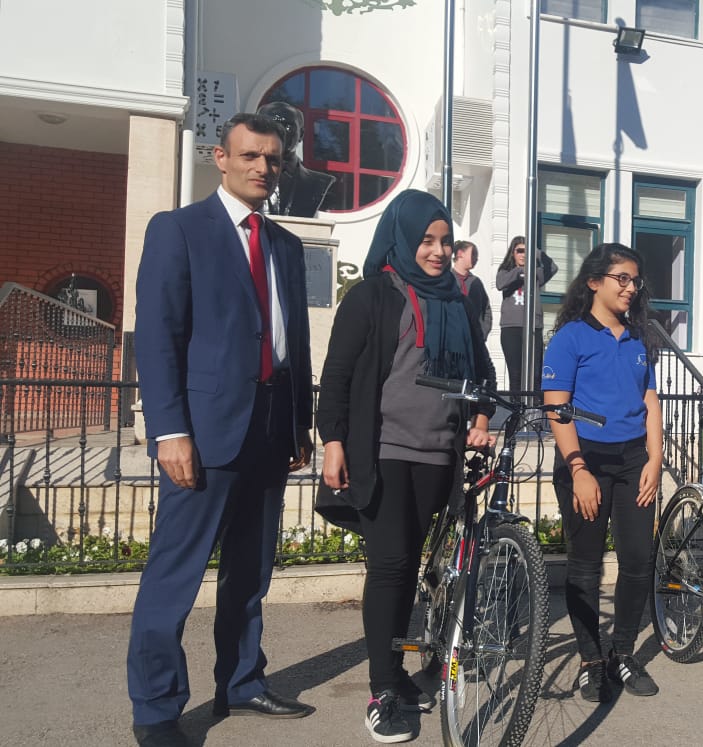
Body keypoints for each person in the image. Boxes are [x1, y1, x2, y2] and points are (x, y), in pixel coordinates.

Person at [129, 112, 315, 747]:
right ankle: (156, 710)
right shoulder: (179, 230)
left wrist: (300, 425)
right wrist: (168, 431)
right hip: (203, 434)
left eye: (273, 158)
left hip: (269, 429)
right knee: (174, 576)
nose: (264, 167)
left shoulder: (286, 246)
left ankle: (241, 681)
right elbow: (157, 339)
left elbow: (296, 342)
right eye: (252, 155)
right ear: (222, 158)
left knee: (250, 572)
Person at [315, 189, 496, 743]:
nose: (438, 252)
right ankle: (383, 691)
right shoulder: (372, 296)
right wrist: (334, 441)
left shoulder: (459, 303)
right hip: (386, 452)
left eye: (444, 242)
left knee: (409, 568)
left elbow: (483, 374)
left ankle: (395, 671)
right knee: (391, 567)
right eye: (427, 241)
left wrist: (483, 417)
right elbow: (339, 374)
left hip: (440, 457)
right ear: (402, 238)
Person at [542, 243, 663, 702]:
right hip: (585, 458)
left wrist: (654, 459)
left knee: (637, 562)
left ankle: (622, 654)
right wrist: (578, 469)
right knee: (586, 566)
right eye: (622, 279)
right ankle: (591, 661)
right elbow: (558, 407)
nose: (631, 288)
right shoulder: (571, 336)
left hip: (634, 459)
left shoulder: (638, 336)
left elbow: (650, 400)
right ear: (594, 282)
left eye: (636, 281)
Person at [496, 236, 558, 392]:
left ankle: (534, 411)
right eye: (519, 251)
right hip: (512, 328)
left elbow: (553, 267)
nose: (523, 255)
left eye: (526, 251)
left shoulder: (537, 273)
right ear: (513, 253)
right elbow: (500, 283)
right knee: (516, 374)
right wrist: (520, 272)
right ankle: (517, 411)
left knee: (535, 373)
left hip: (533, 327)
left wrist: (536, 252)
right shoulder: (506, 271)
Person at [255, 101, 335, 217]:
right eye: (270, 124)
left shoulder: (319, 183)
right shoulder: (240, 179)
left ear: (301, 134)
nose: (279, 131)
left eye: (287, 126)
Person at [451, 240, 493, 340]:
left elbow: (486, 309)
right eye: (473, 254)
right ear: (460, 254)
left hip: (474, 338)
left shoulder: (476, 282)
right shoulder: (448, 279)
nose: (476, 258)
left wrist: (482, 332)